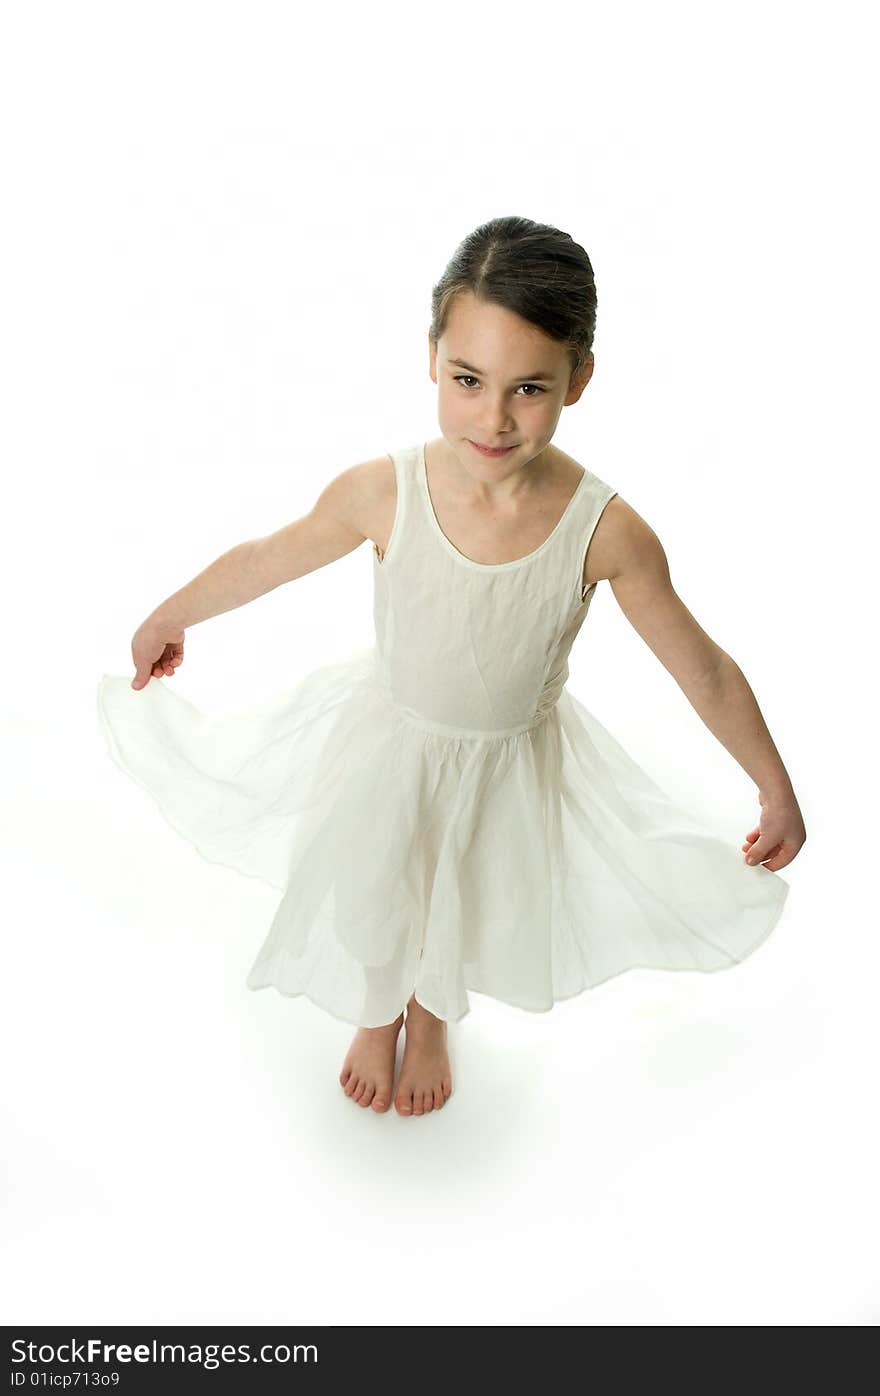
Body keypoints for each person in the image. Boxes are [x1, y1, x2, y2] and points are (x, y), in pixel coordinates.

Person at [96, 214, 806, 1120]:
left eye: (529, 389)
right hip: (393, 737)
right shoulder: (383, 491)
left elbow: (701, 668)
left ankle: (429, 1013)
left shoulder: (607, 532)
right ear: (432, 355)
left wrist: (772, 785)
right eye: (469, 380)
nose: (494, 418)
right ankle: (376, 1005)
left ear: (579, 380)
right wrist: (171, 614)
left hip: (507, 760)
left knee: (463, 893)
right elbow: (268, 556)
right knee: (376, 878)